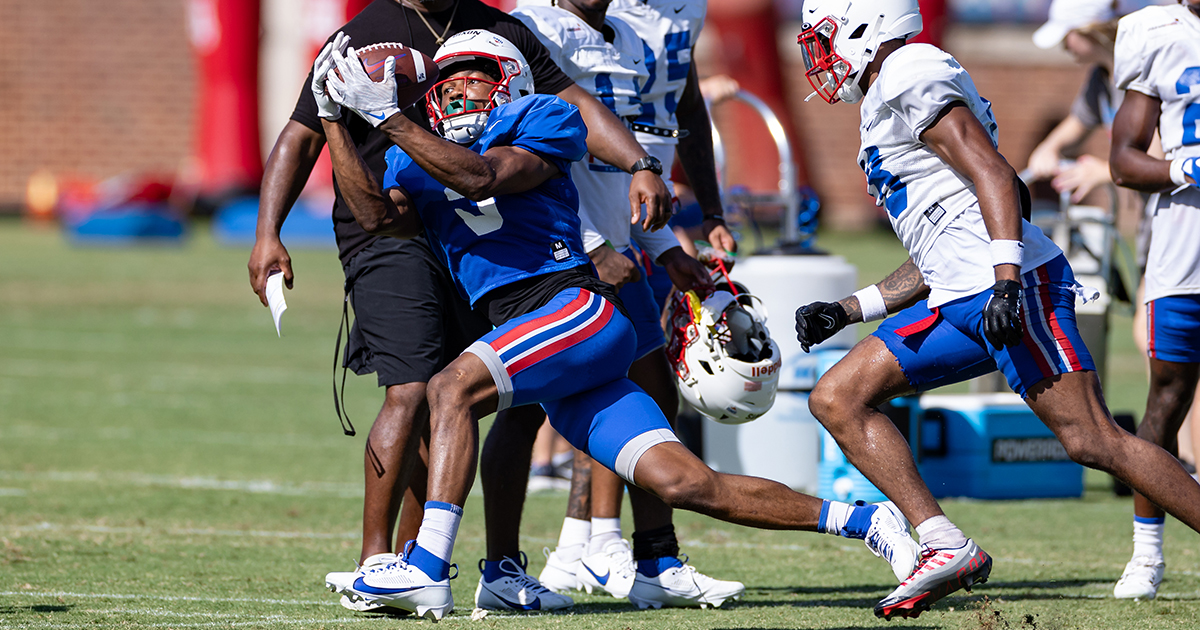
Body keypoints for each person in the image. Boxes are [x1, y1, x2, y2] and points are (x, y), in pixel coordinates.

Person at [319, 28, 920, 620]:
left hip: (574, 312)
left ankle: (426, 565)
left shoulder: (544, 116)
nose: (459, 95)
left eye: (475, 78)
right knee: (687, 484)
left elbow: (482, 178)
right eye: (447, 85)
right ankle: (867, 519)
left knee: (449, 387)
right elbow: (374, 217)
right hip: (540, 340)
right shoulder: (412, 155)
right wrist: (335, 123)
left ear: (511, 83)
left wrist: (393, 121)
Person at [245, 0, 674, 613]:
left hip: (477, 235)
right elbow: (304, 130)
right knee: (417, 388)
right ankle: (379, 559)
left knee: (499, 400)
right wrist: (269, 232)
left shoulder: (504, 33)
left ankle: (497, 567)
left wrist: (639, 162)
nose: (460, 93)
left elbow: (568, 110)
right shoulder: (363, 33)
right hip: (392, 224)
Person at [793, 0, 1200, 619]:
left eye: (824, 38)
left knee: (1093, 441)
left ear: (865, 25)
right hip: (961, 295)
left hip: (1009, 286)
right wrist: (851, 308)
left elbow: (996, 175)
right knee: (838, 397)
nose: (819, 55)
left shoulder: (909, 68)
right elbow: (937, 245)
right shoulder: (886, 94)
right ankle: (943, 542)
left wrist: (1007, 278)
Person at [510, 0, 742, 610]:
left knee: (642, 390)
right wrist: (589, 242)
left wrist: (665, 247)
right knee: (547, 404)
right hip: (558, 243)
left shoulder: (628, 34)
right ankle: (593, 547)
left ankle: (619, 550)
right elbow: (532, 151)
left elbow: (641, 150)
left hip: (619, 234)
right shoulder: (532, 26)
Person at [1107, 0, 1200, 600]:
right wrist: (1182, 167)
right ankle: (1147, 553)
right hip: (1184, 253)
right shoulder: (1155, 30)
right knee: (1165, 402)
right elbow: (1122, 161)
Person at [1026, 0, 1121, 203]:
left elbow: (1155, 158)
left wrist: (1104, 171)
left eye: (1066, 36)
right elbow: (1078, 122)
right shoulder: (1101, 77)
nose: (1064, 46)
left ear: (1089, 29)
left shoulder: (1137, 74)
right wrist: (1049, 147)